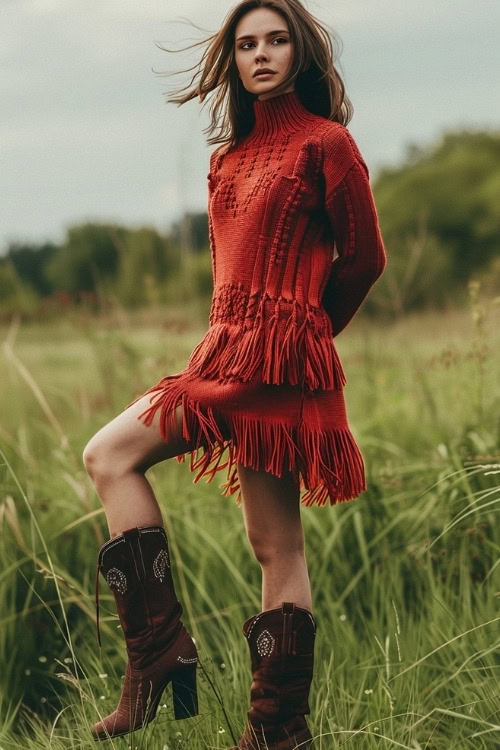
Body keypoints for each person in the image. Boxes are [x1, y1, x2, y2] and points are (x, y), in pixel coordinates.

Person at [82, 0, 387, 747]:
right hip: (226, 355)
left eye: (277, 40)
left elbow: (365, 259)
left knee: (108, 453)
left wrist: (306, 339)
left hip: (277, 363)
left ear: (300, 53)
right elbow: (227, 282)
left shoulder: (327, 145)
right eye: (247, 43)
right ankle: (276, 732)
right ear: (234, 59)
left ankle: (159, 658)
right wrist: (245, 342)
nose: (261, 54)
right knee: (273, 545)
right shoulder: (227, 159)